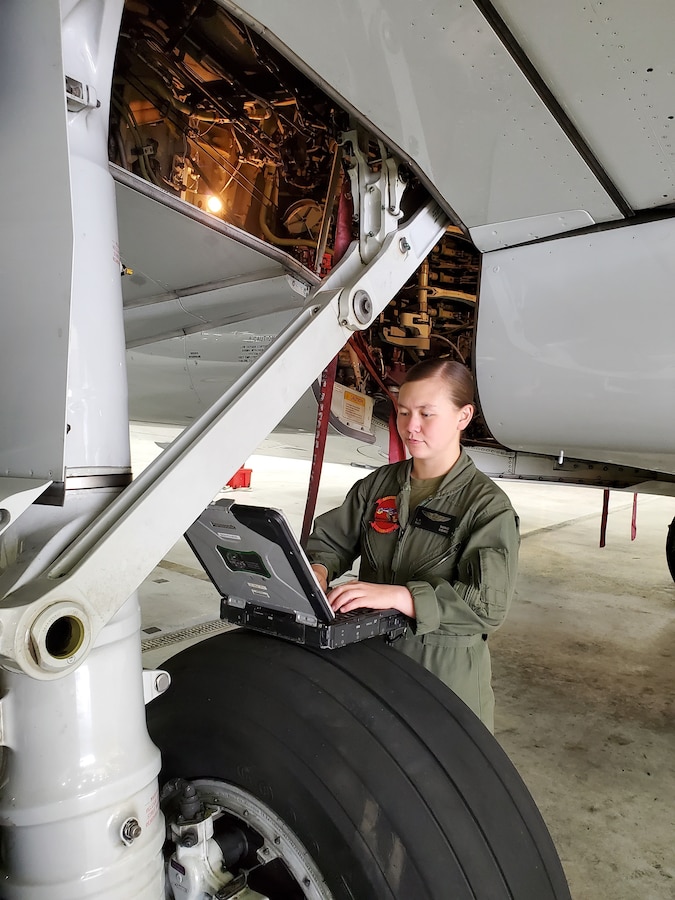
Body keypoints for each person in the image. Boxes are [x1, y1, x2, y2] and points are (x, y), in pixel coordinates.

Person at [306, 358, 520, 732]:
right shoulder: (379, 486)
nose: (411, 426)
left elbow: (487, 607)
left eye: (427, 414)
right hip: (373, 666)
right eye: (403, 412)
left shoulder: (486, 507)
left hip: (443, 681)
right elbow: (331, 541)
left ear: (463, 416)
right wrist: (319, 570)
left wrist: (399, 596)